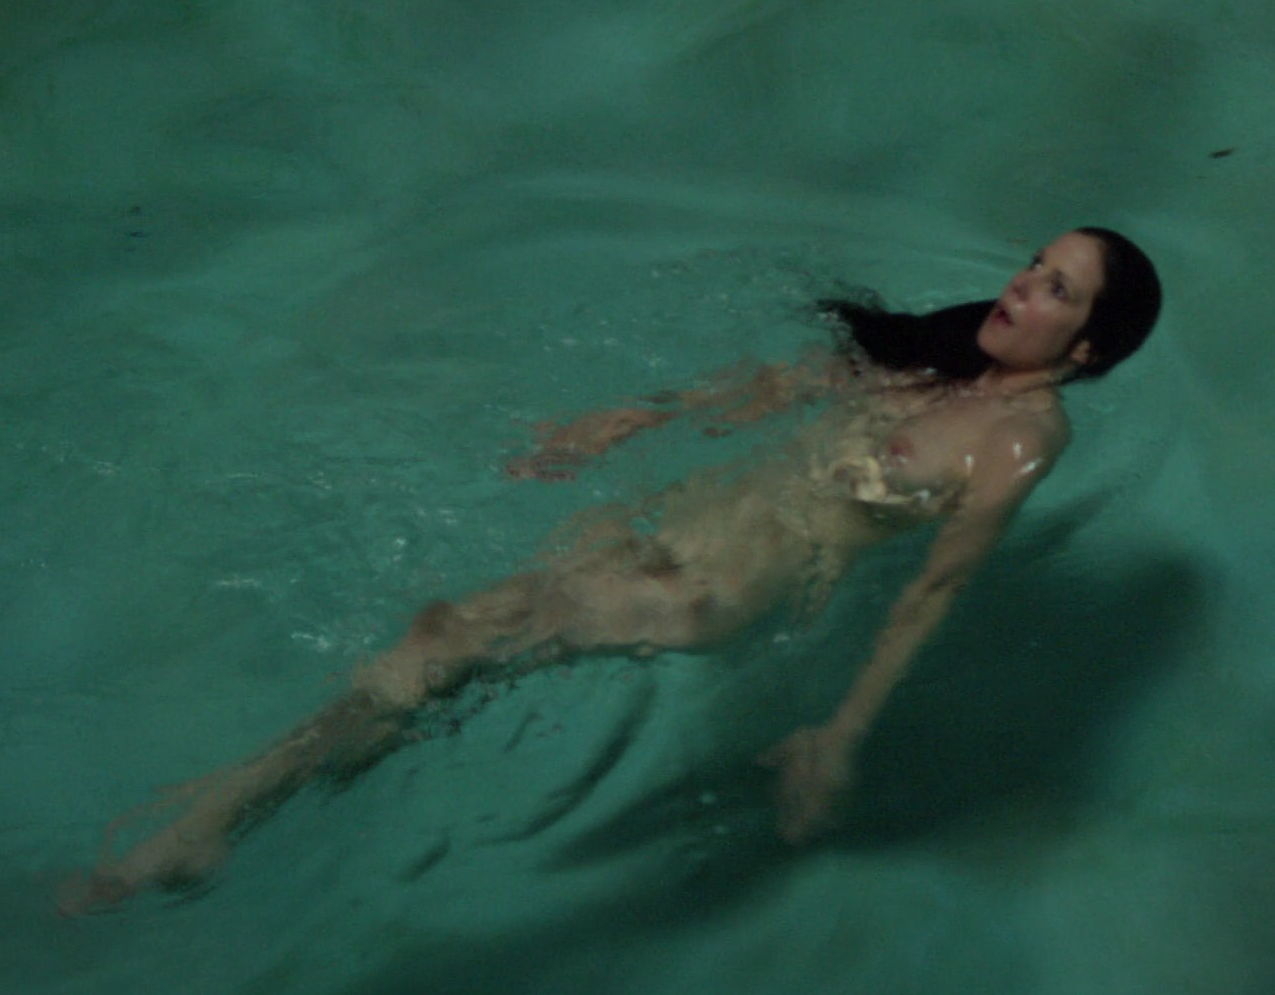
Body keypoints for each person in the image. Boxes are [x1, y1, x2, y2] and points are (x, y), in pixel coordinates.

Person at [58, 227, 1161, 915]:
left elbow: (938, 588)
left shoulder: (1020, 443)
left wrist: (841, 730)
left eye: (1056, 290)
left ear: (1088, 349)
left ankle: (215, 814)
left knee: (445, 641)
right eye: (1034, 263)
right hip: (667, 522)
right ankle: (241, 805)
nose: (1021, 285)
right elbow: (784, 384)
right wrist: (629, 418)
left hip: (707, 588)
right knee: (439, 643)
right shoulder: (954, 349)